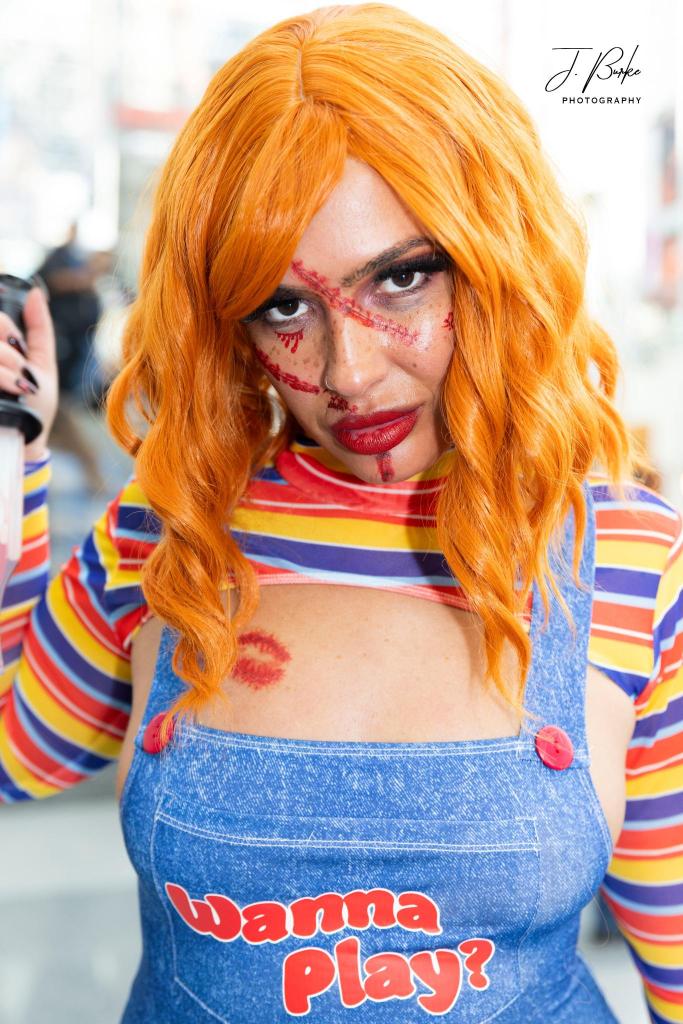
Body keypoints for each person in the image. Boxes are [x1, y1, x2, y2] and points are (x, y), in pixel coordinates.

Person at [0, 5, 681, 1021]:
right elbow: (14, 755)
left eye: (400, 278)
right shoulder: (170, 530)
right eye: (284, 306)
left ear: (496, 256)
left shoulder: (628, 553)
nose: (348, 373)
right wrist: (12, 462)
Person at [34, 220, 109, 493]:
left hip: (66, 372)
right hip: (52, 370)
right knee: (54, 427)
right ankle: (94, 476)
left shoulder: (89, 294)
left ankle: (93, 476)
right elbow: (46, 281)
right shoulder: (59, 263)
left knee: (51, 428)